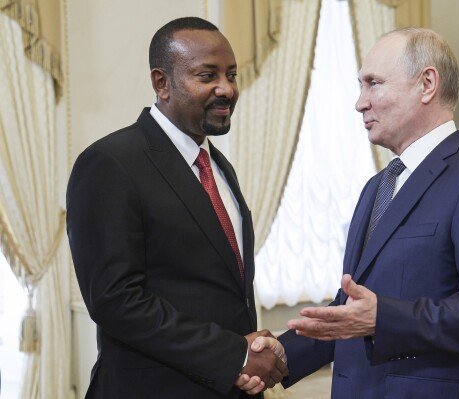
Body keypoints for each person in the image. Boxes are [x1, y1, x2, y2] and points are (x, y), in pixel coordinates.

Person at [243, 27, 459, 398]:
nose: (360, 102)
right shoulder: (377, 185)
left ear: (427, 84)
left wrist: (383, 318)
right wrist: (287, 352)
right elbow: (353, 308)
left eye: (373, 83)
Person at [66, 17, 287, 399]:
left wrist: (248, 355)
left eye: (232, 75)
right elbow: (116, 300)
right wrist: (233, 354)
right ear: (161, 83)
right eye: (207, 76)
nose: (227, 89)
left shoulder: (218, 166)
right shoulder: (110, 163)